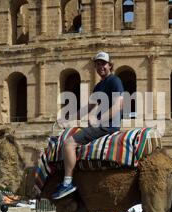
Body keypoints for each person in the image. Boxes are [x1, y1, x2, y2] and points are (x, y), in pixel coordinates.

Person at [52, 51, 124, 200]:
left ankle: (67, 183)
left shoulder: (114, 80)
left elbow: (118, 105)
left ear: (110, 65)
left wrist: (100, 119)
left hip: (107, 126)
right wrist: (68, 119)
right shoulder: (98, 86)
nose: (100, 66)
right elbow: (87, 109)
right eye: (97, 64)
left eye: (103, 63)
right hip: (102, 124)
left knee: (68, 143)